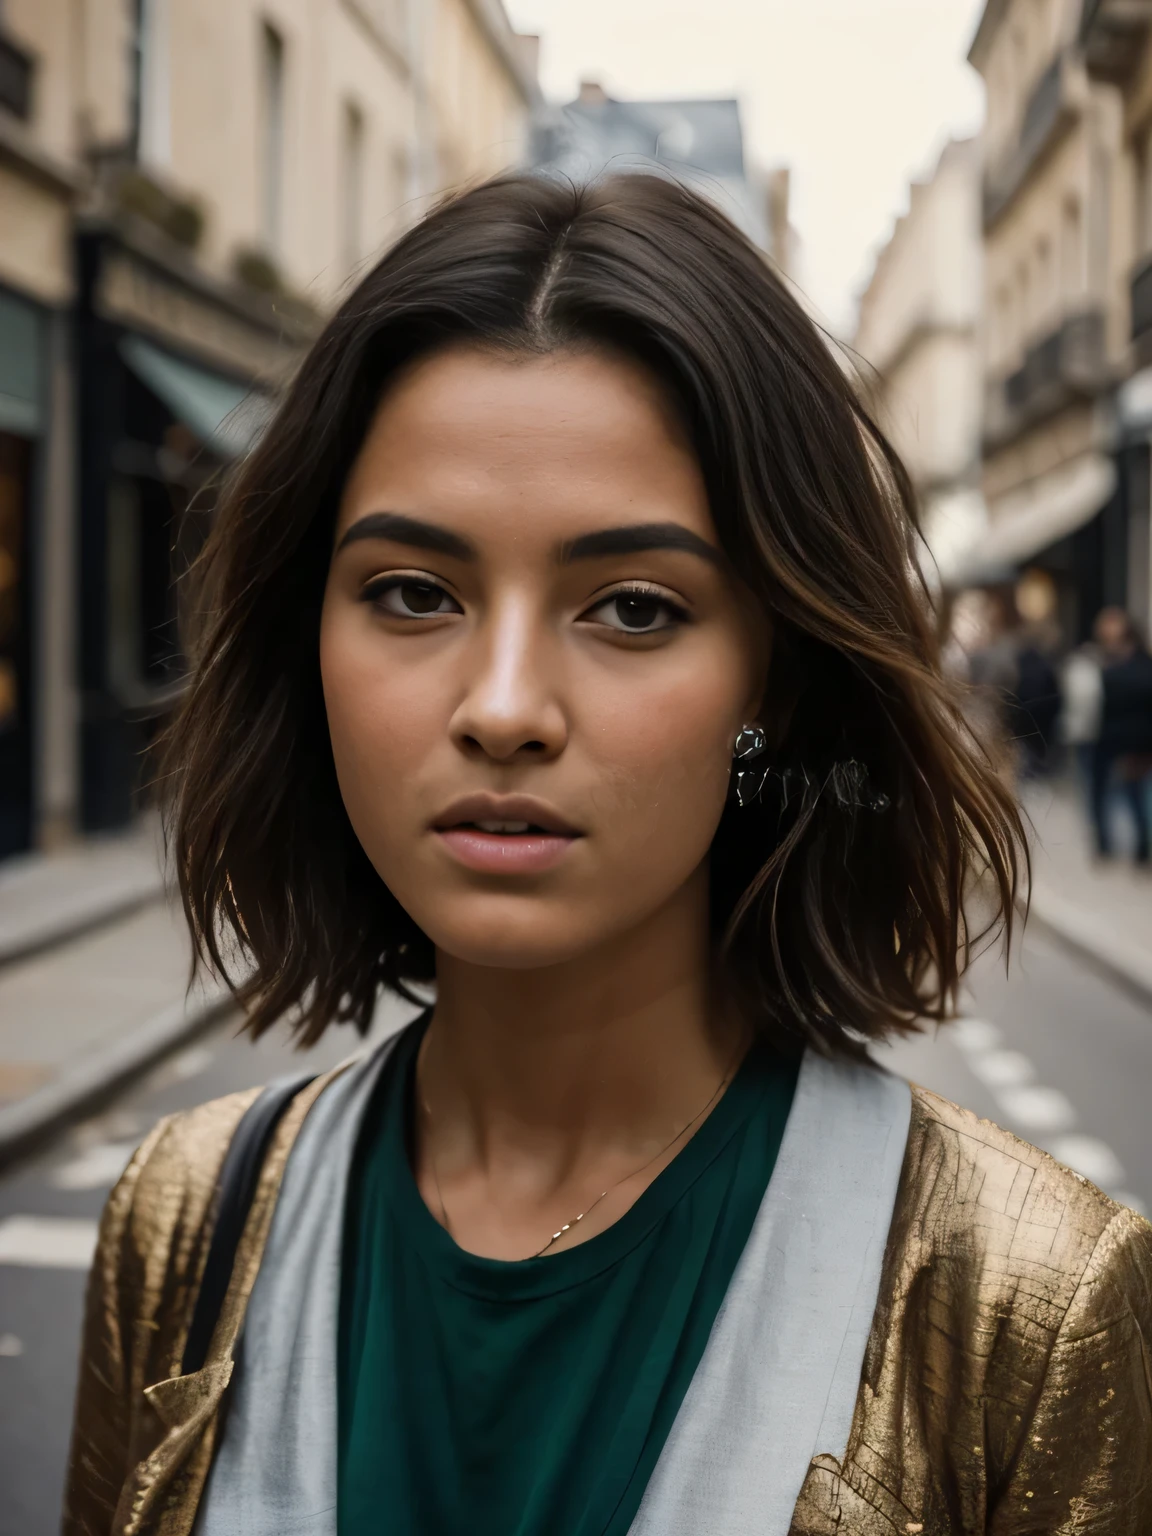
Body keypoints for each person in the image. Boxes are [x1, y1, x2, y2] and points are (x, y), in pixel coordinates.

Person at [63, 175, 1152, 1536]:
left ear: (776, 682)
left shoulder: (1026, 1305)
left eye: (634, 608)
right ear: (309, 641)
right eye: (414, 593)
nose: (504, 706)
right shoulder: (179, 1226)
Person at [1090, 606, 1152, 865]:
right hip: (1105, 737)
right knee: (1102, 795)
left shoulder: (1133, 665)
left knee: (1134, 795)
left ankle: (1139, 847)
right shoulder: (1097, 659)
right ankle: (1106, 845)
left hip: (1130, 740)